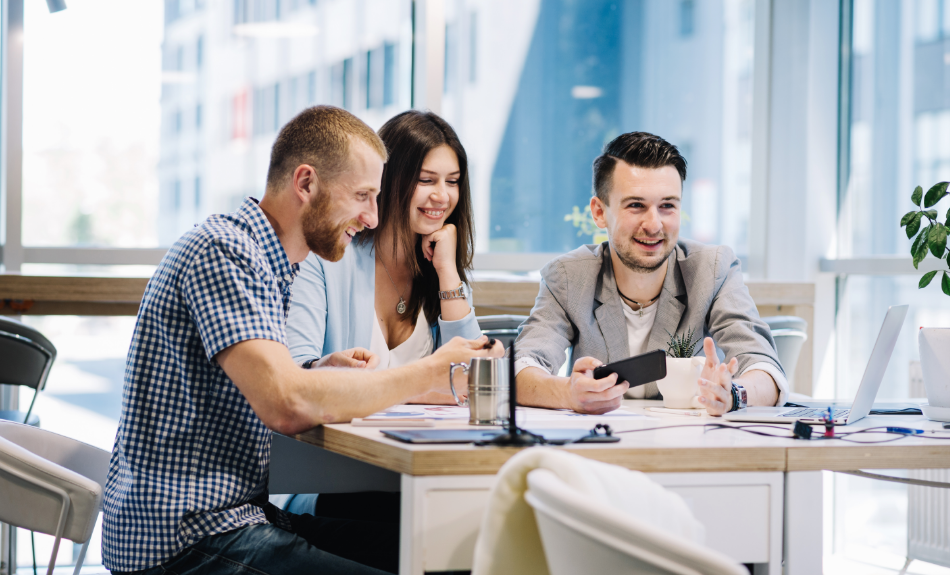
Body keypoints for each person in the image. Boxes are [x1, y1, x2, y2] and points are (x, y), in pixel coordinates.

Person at [101, 106, 502, 575]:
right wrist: (427, 373)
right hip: (185, 534)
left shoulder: (274, 265)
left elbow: (276, 377)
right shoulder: (225, 250)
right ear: (307, 183)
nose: (372, 217)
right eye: (362, 196)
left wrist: (317, 372)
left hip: (240, 515)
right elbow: (285, 404)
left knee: (448, 555)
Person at [513, 131, 787, 416]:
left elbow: (764, 367)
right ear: (599, 212)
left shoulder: (713, 269)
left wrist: (733, 393)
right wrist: (567, 393)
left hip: (688, 445)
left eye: (667, 205)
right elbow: (521, 367)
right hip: (601, 444)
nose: (654, 225)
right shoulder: (568, 277)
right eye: (636, 205)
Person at [286, 110, 480, 406]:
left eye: (452, 182)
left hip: (417, 447)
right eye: (427, 180)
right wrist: (424, 390)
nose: (442, 196)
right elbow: (297, 370)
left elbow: (471, 380)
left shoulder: (443, 273)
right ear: (385, 180)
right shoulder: (325, 258)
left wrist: (448, 271)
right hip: (338, 446)